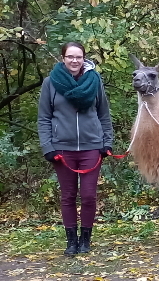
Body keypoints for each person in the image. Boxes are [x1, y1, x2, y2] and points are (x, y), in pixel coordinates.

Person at [38, 42, 114, 256]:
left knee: (89, 196)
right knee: (68, 195)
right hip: (63, 148)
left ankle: (85, 239)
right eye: (70, 56)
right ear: (63, 58)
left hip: (92, 147)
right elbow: (44, 118)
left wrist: (107, 142)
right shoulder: (50, 83)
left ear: (84, 58)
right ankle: (71, 241)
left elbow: (103, 114)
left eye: (78, 57)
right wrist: (48, 146)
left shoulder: (94, 80)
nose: (74, 60)